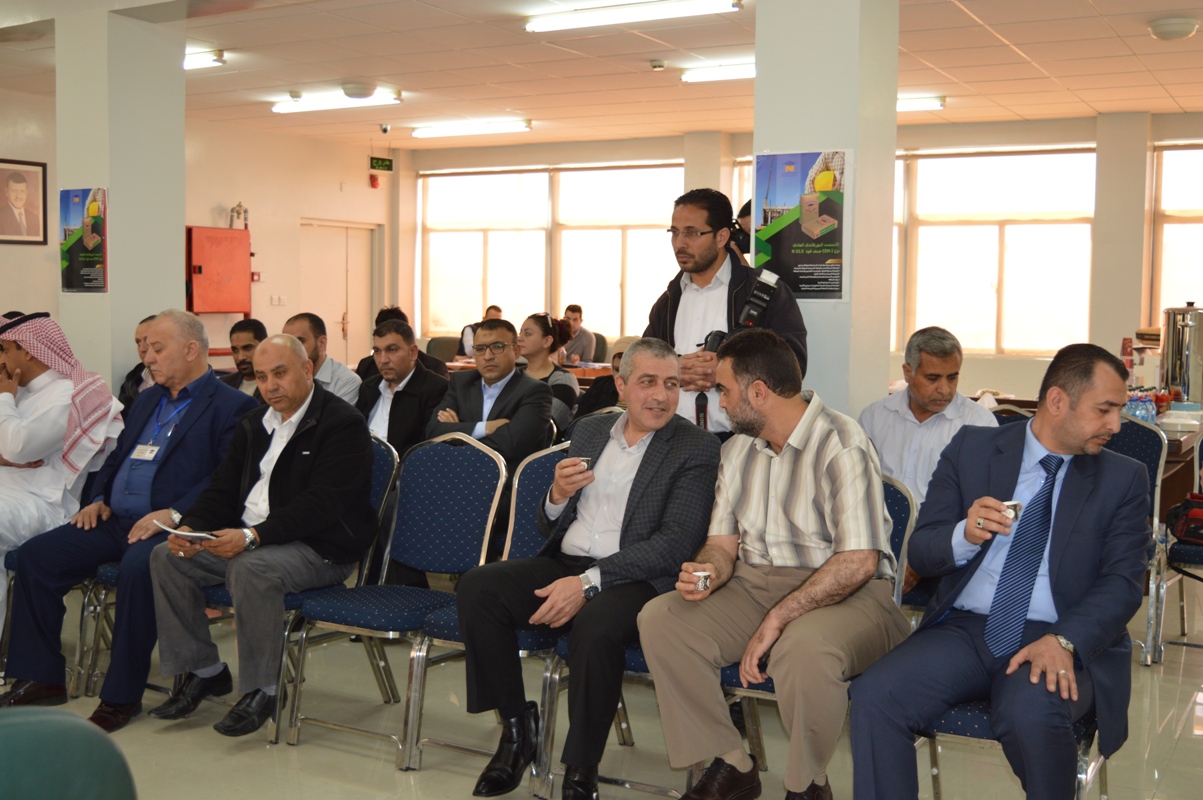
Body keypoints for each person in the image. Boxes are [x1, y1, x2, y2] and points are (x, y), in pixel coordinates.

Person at [849, 344, 1150, 800]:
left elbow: (1123, 584)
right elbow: (923, 551)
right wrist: (964, 535)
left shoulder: (1123, 478)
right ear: (1057, 401)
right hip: (966, 630)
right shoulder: (973, 449)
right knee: (875, 696)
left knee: (1029, 712)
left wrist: (1065, 640)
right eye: (1104, 410)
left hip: (1058, 632)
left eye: (1119, 410)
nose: (1116, 425)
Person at [638, 328, 909, 800]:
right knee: (662, 619)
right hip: (755, 586)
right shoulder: (736, 449)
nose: (720, 402)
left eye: (725, 390)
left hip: (850, 593)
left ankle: (807, 785)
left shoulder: (842, 442)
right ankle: (733, 763)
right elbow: (721, 545)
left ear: (759, 393)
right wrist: (707, 572)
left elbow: (858, 561)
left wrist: (779, 618)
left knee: (803, 650)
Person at [456, 338, 721, 800]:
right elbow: (549, 521)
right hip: (567, 561)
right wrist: (556, 496)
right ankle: (517, 730)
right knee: (478, 587)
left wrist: (586, 584)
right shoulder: (591, 431)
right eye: (648, 382)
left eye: (672, 384)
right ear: (620, 385)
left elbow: (675, 544)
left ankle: (581, 768)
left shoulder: (695, 446)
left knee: (596, 625)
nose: (661, 396)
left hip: (636, 579)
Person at [0, 309, 257, 734]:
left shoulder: (234, 406)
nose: (147, 358)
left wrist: (174, 514)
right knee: (37, 556)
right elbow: (115, 456)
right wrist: (98, 497)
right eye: (146, 349)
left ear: (190, 350)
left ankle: (121, 696)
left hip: (175, 528)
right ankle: (40, 677)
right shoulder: (149, 399)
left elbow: (227, 479)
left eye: (157, 349)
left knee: (140, 569)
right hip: (116, 520)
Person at [147, 334, 375, 737]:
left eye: (280, 373)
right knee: (167, 557)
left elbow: (321, 505)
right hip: (252, 540)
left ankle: (263, 688)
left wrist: (252, 536)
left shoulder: (342, 424)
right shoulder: (254, 423)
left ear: (307, 369)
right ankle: (203, 671)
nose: (270, 386)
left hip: (319, 548)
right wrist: (190, 527)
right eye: (263, 376)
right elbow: (222, 488)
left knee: (251, 568)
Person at [644, 188, 808, 435]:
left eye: (692, 233)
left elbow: (793, 368)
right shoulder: (668, 300)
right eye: (674, 232)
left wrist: (729, 372)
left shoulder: (765, 293)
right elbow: (642, 364)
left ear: (721, 237)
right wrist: (672, 369)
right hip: (672, 438)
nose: (680, 243)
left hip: (744, 441)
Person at [0, 313, 124, 622]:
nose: (0, 359)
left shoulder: (69, 395)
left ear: (28, 350)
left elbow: (17, 446)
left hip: (42, 503)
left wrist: (4, 398)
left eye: (4, 350)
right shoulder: (16, 392)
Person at [859, 326, 998, 506]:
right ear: (908, 373)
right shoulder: (874, 417)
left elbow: (983, 498)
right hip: (879, 521)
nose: (944, 389)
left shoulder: (979, 424)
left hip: (944, 523)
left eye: (952, 378)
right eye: (932, 379)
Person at [427, 317, 552, 473]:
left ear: (516, 351)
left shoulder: (535, 391)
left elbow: (509, 446)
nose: (487, 356)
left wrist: (456, 432)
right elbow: (433, 431)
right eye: (480, 349)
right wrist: (487, 427)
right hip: (455, 476)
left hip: (505, 481)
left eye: (497, 347)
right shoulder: (461, 382)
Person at [519, 313, 579, 435]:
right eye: (520, 333)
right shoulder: (515, 375)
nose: (519, 338)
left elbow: (543, 424)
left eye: (528, 334)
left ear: (547, 341)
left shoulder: (563, 379)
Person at [282, 312, 361, 404]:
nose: (291, 349)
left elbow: (336, 414)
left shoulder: (347, 381)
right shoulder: (283, 376)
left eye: (300, 341)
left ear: (321, 343)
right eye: (287, 343)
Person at [355, 306, 448, 380]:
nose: (383, 360)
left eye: (392, 350)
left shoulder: (434, 367)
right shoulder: (366, 366)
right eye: (377, 351)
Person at [574, 336, 639, 419]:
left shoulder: (648, 391)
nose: (621, 376)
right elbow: (578, 421)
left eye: (627, 370)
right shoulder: (600, 385)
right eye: (617, 369)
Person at [218, 318, 267, 400]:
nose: (240, 357)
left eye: (248, 348)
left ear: (264, 346)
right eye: (235, 350)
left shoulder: (275, 385)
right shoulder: (223, 384)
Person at [117, 315, 157, 412]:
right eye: (138, 342)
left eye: (147, 340)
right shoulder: (133, 378)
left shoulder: (173, 380)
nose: (142, 349)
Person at [0, 171, 40, 238]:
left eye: (22, 191)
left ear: (27, 192)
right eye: (14, 191)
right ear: (6, 192)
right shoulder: (1, 216)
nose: (18, 196)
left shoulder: (34, 218)